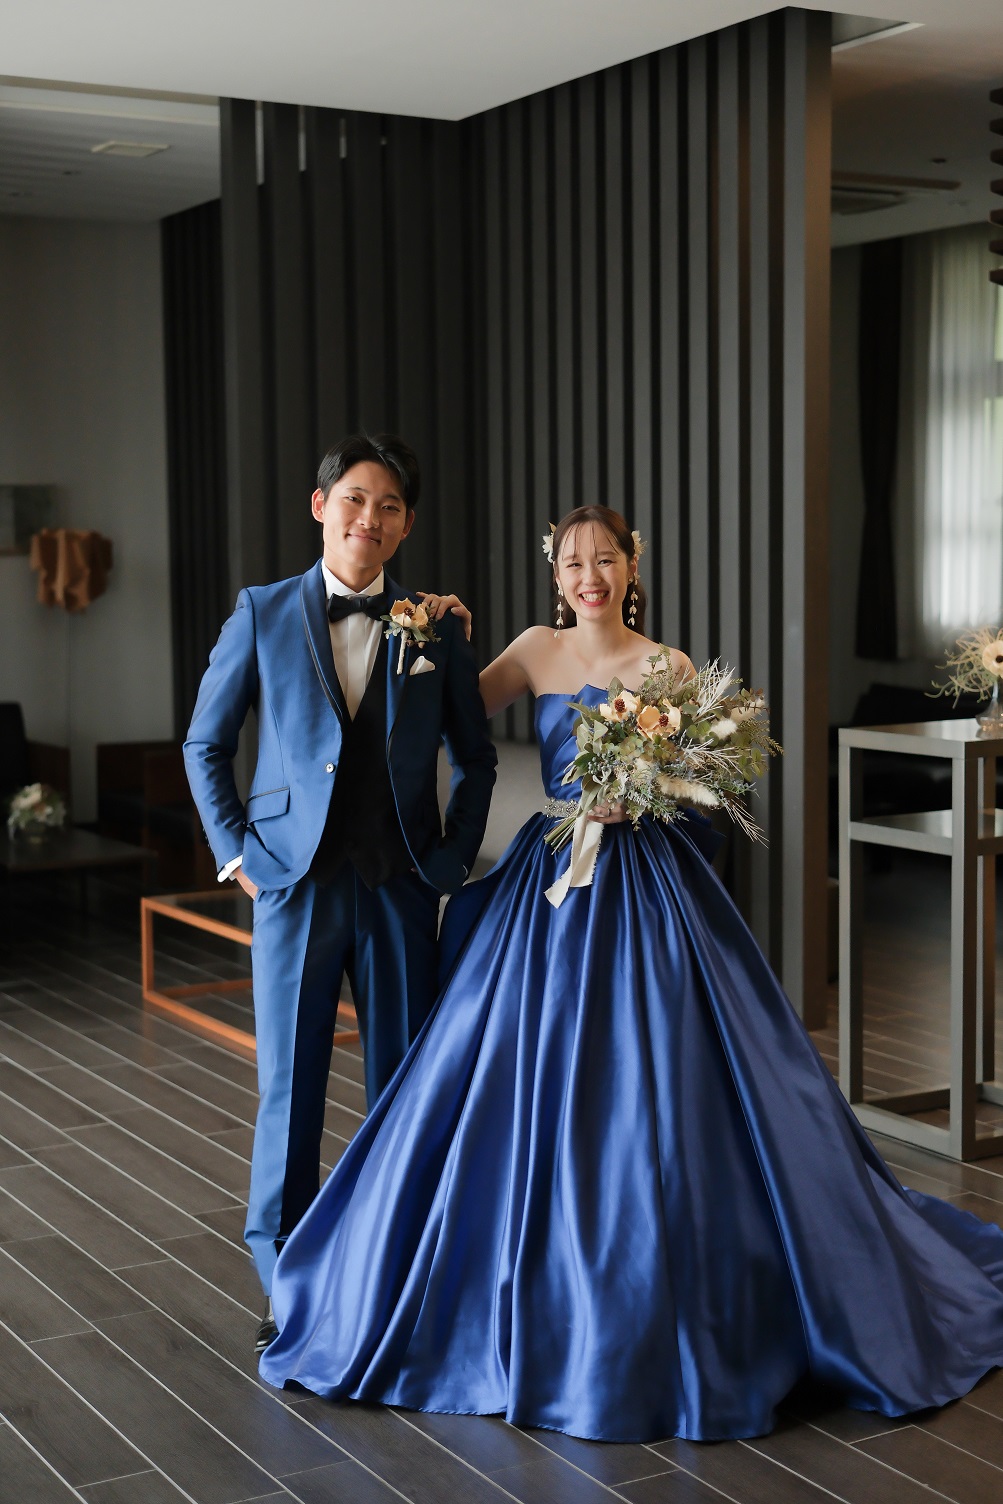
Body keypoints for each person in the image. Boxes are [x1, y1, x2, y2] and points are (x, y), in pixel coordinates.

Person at [258, 504, 1003, 1442]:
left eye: (604, 560)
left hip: (648, 884)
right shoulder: (534, 650)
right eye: (573, 563)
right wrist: (432, 632)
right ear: (555, 575)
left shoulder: (669, 667)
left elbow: (713, 788)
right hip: (551, 879)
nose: (589, 577)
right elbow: (440, 715)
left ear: (630, 567)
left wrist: (644, 797)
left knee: (673, 1075)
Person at [183, 432, 496, 1353]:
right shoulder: (263, 611)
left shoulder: (434, 625)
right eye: (355, 499)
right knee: (290, 1088)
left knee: (401, 1087)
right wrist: (235, 855)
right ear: (322, 506)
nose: (371, 518)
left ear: (405, 524)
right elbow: (205, 743)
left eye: (389, 505)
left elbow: (475, 759)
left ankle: (394, 1270)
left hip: (401, 885)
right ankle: (288, 1286)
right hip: (293, 884)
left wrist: (449, 860)